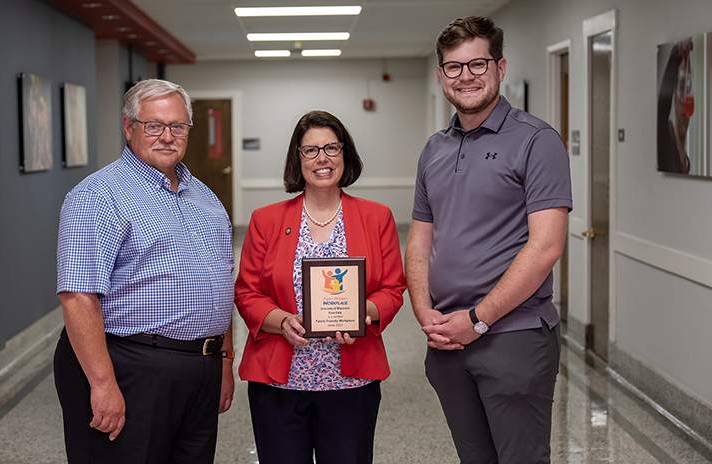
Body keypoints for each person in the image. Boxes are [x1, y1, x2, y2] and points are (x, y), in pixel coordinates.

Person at [405, 16, 572, 463]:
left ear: (500, 68)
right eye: (454, 67)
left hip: (512, 338)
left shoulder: (536, 141)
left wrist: (477, 319)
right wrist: (426, 314)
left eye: (477, 64)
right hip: (447, 345)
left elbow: (546, 247)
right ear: (441, 76)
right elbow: (420, 240)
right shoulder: (434, 149)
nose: (466, 77)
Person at [54, 79, 235, 464]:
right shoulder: (97, 196)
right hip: (130, 367)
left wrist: (223, 361)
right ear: (128, 127)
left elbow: (220, 283)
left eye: (178, 126)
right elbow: (77, 296)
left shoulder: (205, 196)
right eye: (153, 125)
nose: (167, 136)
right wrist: (102, 384)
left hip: (199, 368)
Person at [235, 110, 406, 464]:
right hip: (279, 383)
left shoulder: (377, 217)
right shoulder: (266, 221)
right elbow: (247, 293)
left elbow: (392, 288)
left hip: (350, 382)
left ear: (346, 154)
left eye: (332, 147)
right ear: (297, 159)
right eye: (310, 150)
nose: (322, 159)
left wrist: (361, 315)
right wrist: (281, 320)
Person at [657, 38, 693, 174]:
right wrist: (676, 54)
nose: (686, 100)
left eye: (688, 89)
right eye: (682, 87)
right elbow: (661, 109)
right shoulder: (666, 138)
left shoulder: (686, 162)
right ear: (674, 97)